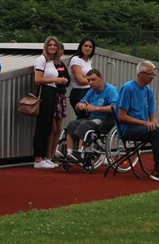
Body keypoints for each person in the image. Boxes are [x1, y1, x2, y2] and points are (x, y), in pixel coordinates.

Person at [117, 61, 159, 183]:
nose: (153, 77)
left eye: (153, 74)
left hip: (142, 128)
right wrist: (145, 123)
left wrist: (153, 122)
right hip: (127, 128)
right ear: (141, 74)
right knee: (156, 132)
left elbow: (152, 115)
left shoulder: (149, 91)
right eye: (151, 74)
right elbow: (121, 117)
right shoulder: (128, 88)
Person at [62, 68, 118, 162]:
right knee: (72, 124)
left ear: (101, 79)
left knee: (85, 125)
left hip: (106, 120)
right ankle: (69, 152)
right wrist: (80, 106)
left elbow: (115, 107)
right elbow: (78, 104)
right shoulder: (91, 91)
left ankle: (81, 152)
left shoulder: (111, 90)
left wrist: (95, 108)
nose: (90, 82)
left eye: (93, 79)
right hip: (92, 118)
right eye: (88, 80)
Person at [32, 36, 69, 169]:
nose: (52, 47)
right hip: (45, 92)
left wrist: (59, 81)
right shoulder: (42, 59)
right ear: (46, 46)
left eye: (55, 45)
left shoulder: (53, 61)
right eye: (50, 45)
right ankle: (38, 158)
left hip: (53, 92)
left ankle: (44, 157)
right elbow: (38, 79)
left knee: (48, 126)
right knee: (42, 125)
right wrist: (56, 80)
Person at [68, 37, 96, 117]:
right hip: (79, 92)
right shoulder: (76, 59)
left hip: (89, 91)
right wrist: (95, 81)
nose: (88, 48)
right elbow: (80, 80)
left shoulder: (89, 61)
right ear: (81, 46)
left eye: (90, 47)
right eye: (85, 46)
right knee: (84, 117)